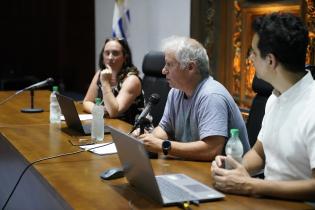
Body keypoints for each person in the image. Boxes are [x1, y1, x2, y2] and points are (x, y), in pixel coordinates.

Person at [211, 12, 315, 201]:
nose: (250, 58)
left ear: (270, 61)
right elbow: (260, 153)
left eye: (254, 52)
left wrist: (251, 185)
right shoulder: (275, 96)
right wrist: (234, 168)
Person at [137, 36, 250, 161]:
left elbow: (211, 150)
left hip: (229, 174)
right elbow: (164, 129)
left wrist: (163, 145)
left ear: (190, 67)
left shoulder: (211, 96)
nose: (163, 71)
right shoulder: (175, 92)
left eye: (169, 65)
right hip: (193, 167)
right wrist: (147, 138)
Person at [83, 38, 144, 124]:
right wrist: (100, 111)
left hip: (132, 132)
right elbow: (86, 102)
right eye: (107, 53)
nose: (110, 57)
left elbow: (113, 112)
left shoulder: (132, 80)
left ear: (125, 57)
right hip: (108, 125)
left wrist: (105, 83)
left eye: (115, 53)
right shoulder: (100, 74)